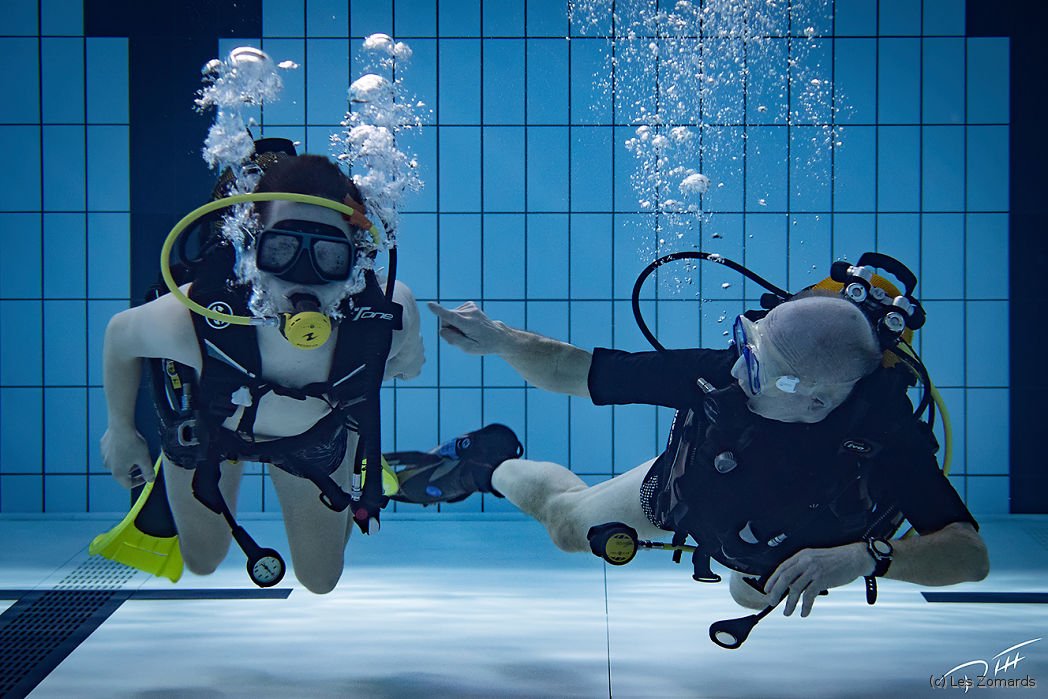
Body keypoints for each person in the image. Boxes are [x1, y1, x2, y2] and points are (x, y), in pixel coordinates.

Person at [393, 285, 990, 619]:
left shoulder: (885, 437)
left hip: (795, 546)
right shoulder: (724, 374)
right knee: (567, 525)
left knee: (750, 593)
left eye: (759, 367)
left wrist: (867, 557)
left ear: (816, 401)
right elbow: (577, 370)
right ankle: (487, 465)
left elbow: (969, 554)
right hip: (688, 491)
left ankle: (753, 572)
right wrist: (500, 340)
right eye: (746, 345)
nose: (738, 369)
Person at [100, 152, 425, 593]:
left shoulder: (386, 313)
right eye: (282, 250)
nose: (303, 280)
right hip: (210, 425)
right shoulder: (193, 317)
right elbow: (120, 336)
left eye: (329, 256)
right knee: (203, 559)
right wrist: (120, 430)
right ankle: (188, 413)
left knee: (321, 579)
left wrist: (366, 377)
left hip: (314, 437)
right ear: (252, 248)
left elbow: (406, 363)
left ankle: (349, 443)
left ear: (356, 258)